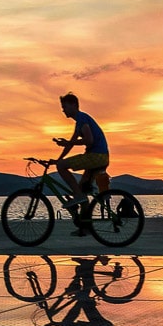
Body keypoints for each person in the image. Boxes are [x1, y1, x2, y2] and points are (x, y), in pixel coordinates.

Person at [52, 93, 109, 236]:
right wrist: (59, 158)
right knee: (83, 192)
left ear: (74, 105)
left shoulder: (82, 118)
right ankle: (85, 228)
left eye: (64, 107)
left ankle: (77, 196)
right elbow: (70, 144)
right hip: (100, 158)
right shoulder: (80, 121)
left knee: (62, 168)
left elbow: (89, 140)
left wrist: (61, 161)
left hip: (96, 157)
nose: (63, 110)